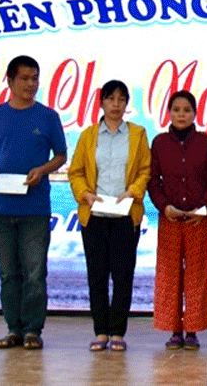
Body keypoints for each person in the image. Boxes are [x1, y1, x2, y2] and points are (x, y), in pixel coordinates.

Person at [0, 55, 67, 350]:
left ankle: (32, 330)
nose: (31, 84)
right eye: (25, 79)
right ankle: (13, 328)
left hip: (35, 209)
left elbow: (61, 156)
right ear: (10, 81)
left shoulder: (48, 116)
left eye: (35, 79)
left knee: (35, 272)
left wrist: (43, 170)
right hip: (0, 208)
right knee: (8, 273)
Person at [68, 80, 150, 352]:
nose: (116, 104)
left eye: (121, 99)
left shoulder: (138, 134)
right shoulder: (89, 135)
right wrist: (85, 195)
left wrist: (134, 191)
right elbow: (75, 171)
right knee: (97, 275)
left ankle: (118, 332)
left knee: (124, 274)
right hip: (95, 216)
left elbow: (145, 170)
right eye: (111, 98)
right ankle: (100, 331)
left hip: (127, 215)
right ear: (101, 102)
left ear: (127, 104)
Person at [148, 91, 207, 350]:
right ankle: (174, 331)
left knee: (197, 275)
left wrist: (202, 208)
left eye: (186, 110)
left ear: (195, 114)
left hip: (199, 221)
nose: (181, 114)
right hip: (169, 219)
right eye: (176, 109)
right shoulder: (159, 143)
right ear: (168, 113)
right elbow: (152, 181)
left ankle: (192, 331)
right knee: (169, 275)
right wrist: (163, 206)